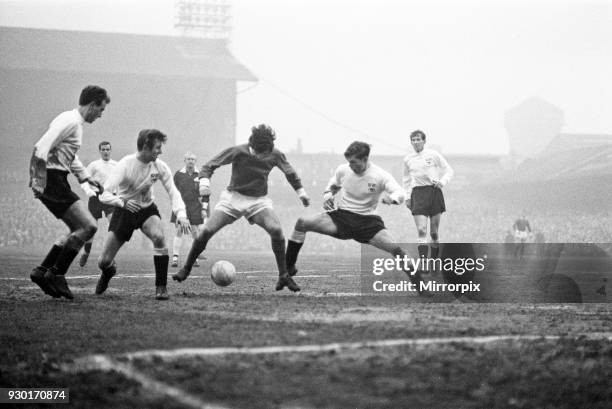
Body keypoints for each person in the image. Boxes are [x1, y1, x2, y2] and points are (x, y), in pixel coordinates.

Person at [172, 124, 310, 292]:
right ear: (253, 146)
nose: (264, 156)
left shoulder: (275, 153)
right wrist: (204, 182)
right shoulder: (239, 151)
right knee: (205, 231)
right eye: (261, 153)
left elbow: (290, 173)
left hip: (258, 201)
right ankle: (186, 269)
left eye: (267, 152)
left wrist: (301, 192)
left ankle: (283, 276)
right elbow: (209, 166)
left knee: (276, 230)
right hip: (233, 198)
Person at [285, 141, 429, 295]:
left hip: (368, 222)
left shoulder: (380, 175)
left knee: (397, 250)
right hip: (342, 217)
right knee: (302, 223)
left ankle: (421, 286)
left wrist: (391, 199)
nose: (350, 166)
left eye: (354, 162)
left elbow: (400, 193)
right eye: (349, 162)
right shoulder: (343, 170)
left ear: (365, 159)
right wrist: (328, 195)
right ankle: (289, 267)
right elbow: (333, 184)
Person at [28, 85, 110, 299]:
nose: (101, 115)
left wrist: (86, 177)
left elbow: (68, 156)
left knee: (77, 229)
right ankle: (56, 274)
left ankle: (42, 271)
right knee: (89, 226)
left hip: (57, 177)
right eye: (100, 110)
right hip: (52, 179)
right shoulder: (71, 121)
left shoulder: (74, 122)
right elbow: (42, 146)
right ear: (92, 105)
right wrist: (38, 179)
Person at [95, 129, 190, 300]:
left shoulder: (159, 166)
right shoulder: (125, 164)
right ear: (146, 146)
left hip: (147, 210)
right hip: (124, 211)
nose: (160, 151)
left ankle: (161, 287)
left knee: (159, 237)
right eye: (157, 148)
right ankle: (108, 271)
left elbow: (173, 192)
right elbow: (104, 194)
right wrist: (122, 202)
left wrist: (181, 214)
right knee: (103, 261)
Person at [403, 130, 453, 262]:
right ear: (411, 142)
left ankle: (434, 261)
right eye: (413, 140)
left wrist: (442, 182)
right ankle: (424, 263)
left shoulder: (433, 154)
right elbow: (406, 180)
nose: (416, 142)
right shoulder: (408, 159)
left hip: (434, 192)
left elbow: (449, 170)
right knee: (421, 229)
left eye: (418, 139)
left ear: (424, 141)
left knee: (434, 233)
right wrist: (407, 197)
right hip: (418, 194)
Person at [78, 141, 118, 267]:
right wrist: (88, 191)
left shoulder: (116, 165)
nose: (106, 151)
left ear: (110, 150)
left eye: (108, 149)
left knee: (114, 225)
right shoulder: (94, 165)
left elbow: (120, 181)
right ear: (100, 151)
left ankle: (109, 255)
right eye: (103, 149)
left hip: (110, 197)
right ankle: (86, 252)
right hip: (95, 197)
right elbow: (83, 179)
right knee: (92, 228)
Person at [170, 151, 209, 268]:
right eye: (188, 159)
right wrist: (175, 208)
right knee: (179, 230)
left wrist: (204, 209)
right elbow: (173, 192)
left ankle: (195, 257)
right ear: (185, 160)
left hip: (195, 207)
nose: (190, 161)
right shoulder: (178, 175)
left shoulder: (201, 174)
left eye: (192, 159)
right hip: (181, 206)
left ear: (195, 161)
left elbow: (206, 193)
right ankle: (175, 258)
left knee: (195, 232)